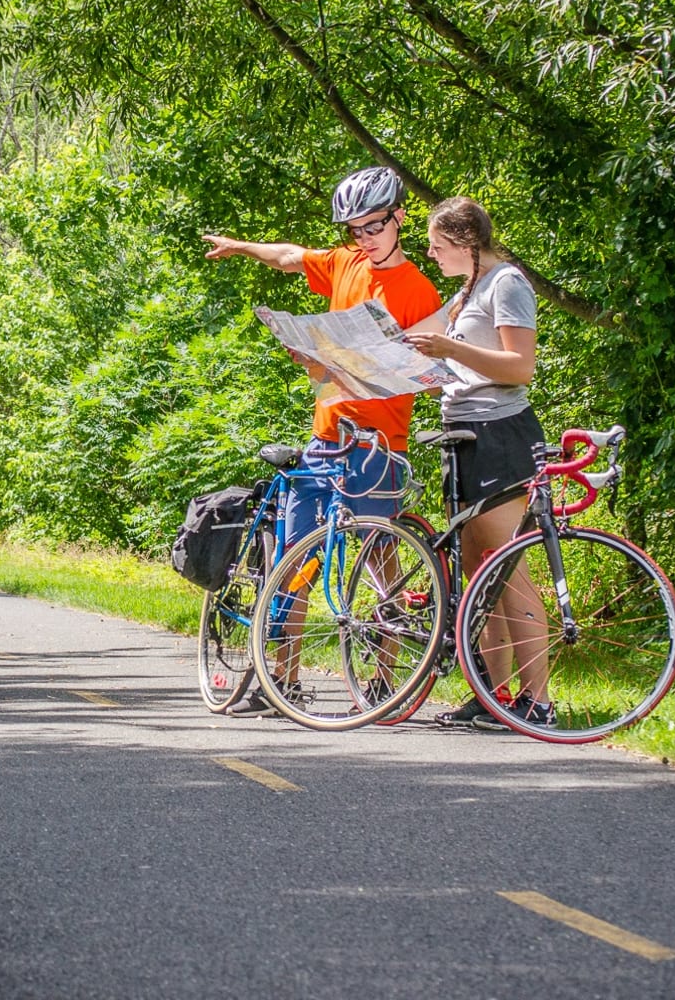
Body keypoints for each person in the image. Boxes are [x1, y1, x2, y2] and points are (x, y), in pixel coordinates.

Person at [204, 166, 441, 716]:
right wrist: (241, 247)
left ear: (399, 218)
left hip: (380, 445)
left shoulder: (419, 290)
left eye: (375, 226)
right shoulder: (345, 264)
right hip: (326, 439)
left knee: (383, 560)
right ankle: (278, 683)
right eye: (355, 229)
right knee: (294, 560)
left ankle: (385, 684)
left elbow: (429, 369)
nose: (365, 238)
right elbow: (292, 255)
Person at [402, 197, 554, 731]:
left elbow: (520, 367)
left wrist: (451, 348)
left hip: (499, 434)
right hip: (462, 434)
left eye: (438, 245)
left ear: (467, 243)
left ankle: (539, 700)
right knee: (478, 576)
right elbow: (461, 359)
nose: (431, 253)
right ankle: (493, 694)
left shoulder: (506, 283)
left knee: (508, 571)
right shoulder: (466, 291)